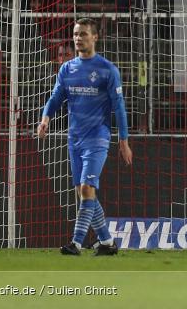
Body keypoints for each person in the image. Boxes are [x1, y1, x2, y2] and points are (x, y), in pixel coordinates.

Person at [37, 18, 133, 256]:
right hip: (75, 138)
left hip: (98, 137)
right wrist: (45, 118)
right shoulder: (67, 69)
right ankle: (107, 242)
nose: (78, 38)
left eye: (83, 34)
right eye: (76, 34)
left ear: (95, 37)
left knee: (87, 188)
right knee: (83, 191)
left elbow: (119, 107)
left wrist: (123, 140)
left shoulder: (107, 70)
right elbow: (56, 97)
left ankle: (76, 243)